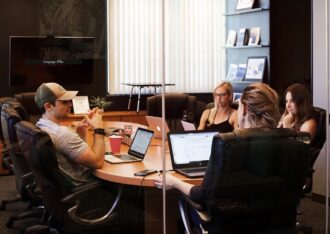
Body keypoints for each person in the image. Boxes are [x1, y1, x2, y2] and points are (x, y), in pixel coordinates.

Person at [154, 83, 281, 203]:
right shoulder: (288, 143)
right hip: (279, 221)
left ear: (245, 110)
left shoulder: (228, 147)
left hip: (230, 221)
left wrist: (175, 182)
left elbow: (203, 194)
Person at [34, 82, 106, 184]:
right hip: (86, 186)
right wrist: (99, 129)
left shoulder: (40, 125)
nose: (70, 104)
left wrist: (81, 131)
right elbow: (97, 162)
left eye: (69, 101)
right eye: (64, 102)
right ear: (48, 106)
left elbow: (80, 156)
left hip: (62, 187)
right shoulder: (62, 134)